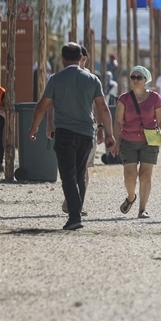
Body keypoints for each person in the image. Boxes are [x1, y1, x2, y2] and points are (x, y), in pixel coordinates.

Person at [30, 42, 115, 231]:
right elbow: (103, 108)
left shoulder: (56, 79)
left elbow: (42, 106)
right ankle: (76, 213)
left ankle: (75, 215)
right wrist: (109, 134)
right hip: (86, 134)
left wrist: (34, 127)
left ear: (62, 58)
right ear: (80, 58)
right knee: (79, 174)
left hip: (65, 133)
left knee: (68, 175)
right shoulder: (92, 79)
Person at [115, 66, 161, 219]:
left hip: (149, 140)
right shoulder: (124, 98)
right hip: (128, 140)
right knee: (130, 175)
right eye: (133, 77)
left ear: (146, 80)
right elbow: (118, 121)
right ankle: (131, 197)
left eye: (139, 77)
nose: (135, 80)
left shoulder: (154, 98)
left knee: (145, 175)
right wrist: (114, 140)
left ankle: (142, 209)